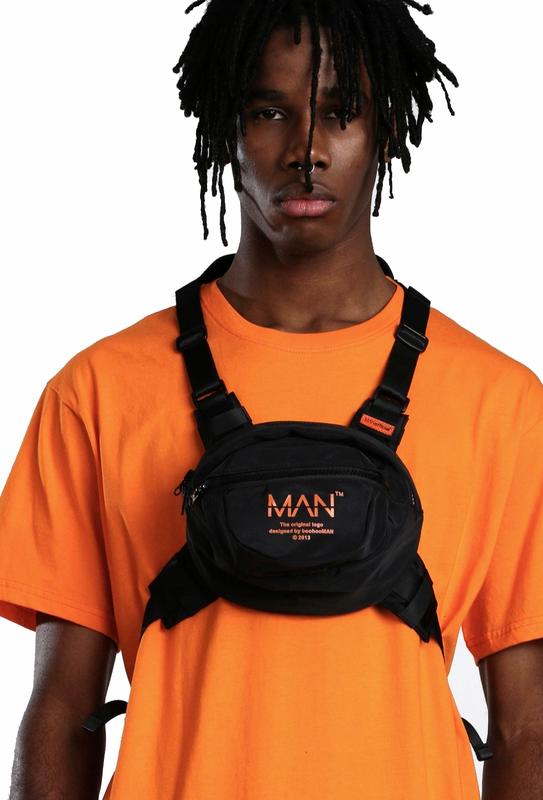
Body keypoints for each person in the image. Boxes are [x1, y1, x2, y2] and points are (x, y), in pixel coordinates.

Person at [1, 1, 542, 798]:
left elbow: (527, 727)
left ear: (387, 129)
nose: (306, 150)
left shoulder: (502, 403)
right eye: (269, 111)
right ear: (224, 128)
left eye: (340, 112)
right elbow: (59, 709)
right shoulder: (98, 391)